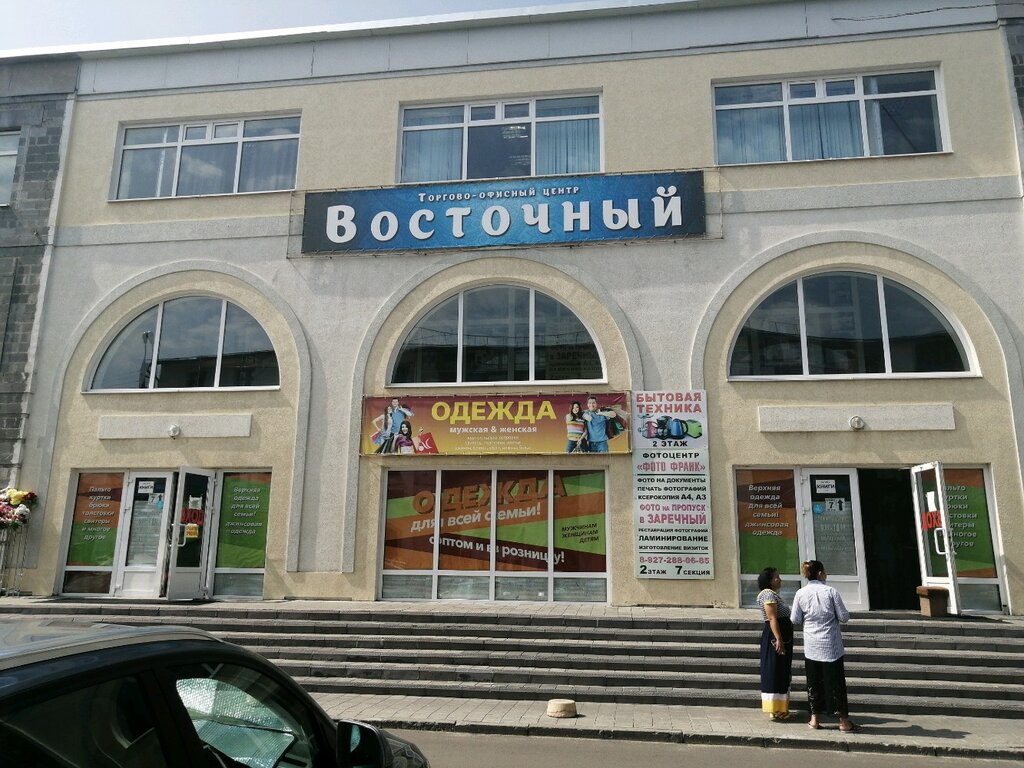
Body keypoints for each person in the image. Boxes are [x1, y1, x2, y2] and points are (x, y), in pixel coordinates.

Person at [790, 559, 860, 732]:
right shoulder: (831, 592)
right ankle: (843, 721)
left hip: (812, 646)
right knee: (836, 683)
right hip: (831, 646)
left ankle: (814, 719)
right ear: (820, 573)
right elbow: (844, 617)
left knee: (814, 682)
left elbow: (795, 619)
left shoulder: (800, 593)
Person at [756, 567, 793, 721]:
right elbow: (772, 618)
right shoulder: (768, 594)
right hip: (775, 637)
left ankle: (780, 707)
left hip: (781, 635)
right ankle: (776, 709)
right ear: (769, 581)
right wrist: (778, 638)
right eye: (776, 577)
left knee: (781, 669)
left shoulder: (773, 594)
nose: (780, 579)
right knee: (775, 669)